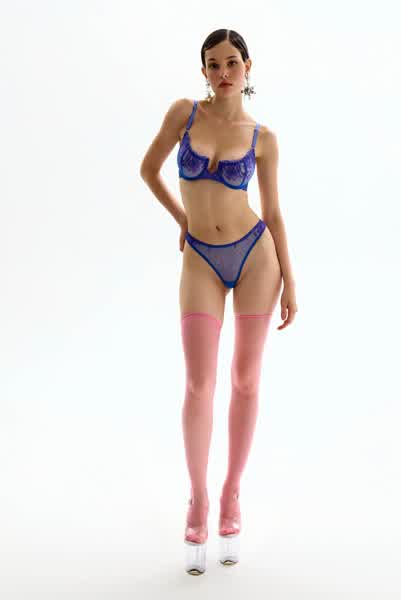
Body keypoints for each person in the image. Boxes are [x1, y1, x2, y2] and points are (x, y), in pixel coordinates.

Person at [140, 28, 298, 574]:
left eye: (232, 62)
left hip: (256, 257)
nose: (223, 72)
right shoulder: (184, 114)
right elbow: (148, 170)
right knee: (198, 383)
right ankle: (199, 496)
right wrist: (182, 220)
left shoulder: (263, 137)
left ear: (248, 67)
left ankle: (232, 491)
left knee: (246, 379)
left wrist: (291, 281)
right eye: (213, 64)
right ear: (203, 71)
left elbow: (273, 214)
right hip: (201, 260)